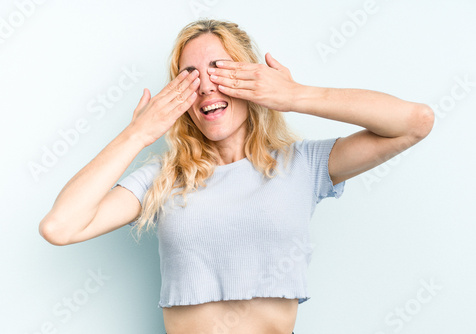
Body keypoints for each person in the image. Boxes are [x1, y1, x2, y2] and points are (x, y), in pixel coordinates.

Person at [39, 19, 434, 334]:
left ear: (251, 80)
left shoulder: (304, 164)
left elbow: (415, 122)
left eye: (220, 69)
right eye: (190, 76)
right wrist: (139, 133)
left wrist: (295, 95)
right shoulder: (163, 177)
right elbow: (60, 227)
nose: (208, 84)